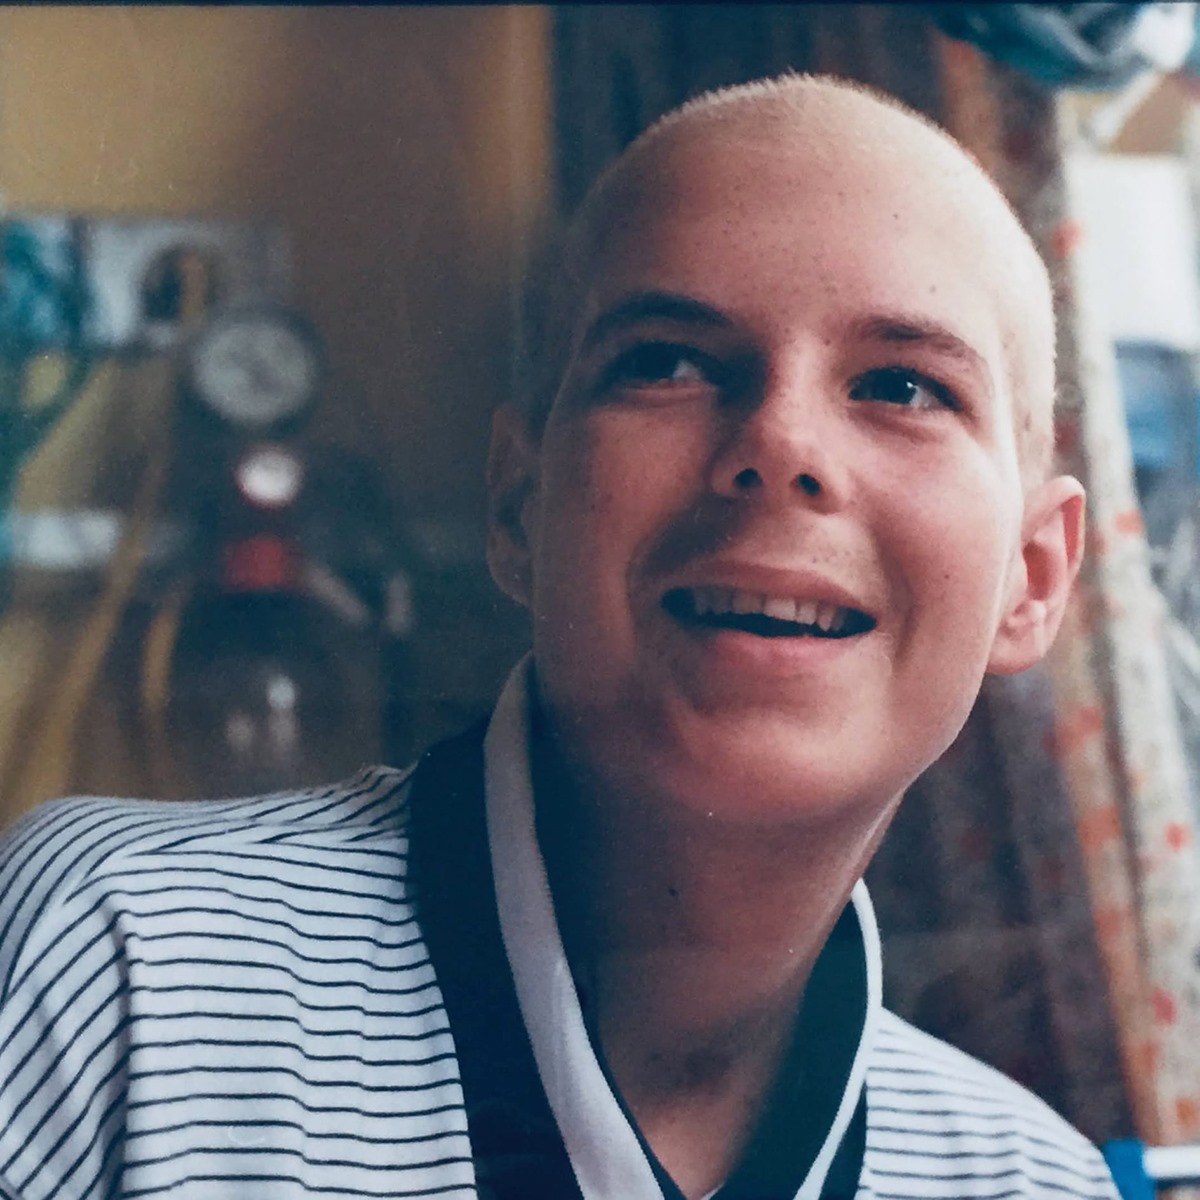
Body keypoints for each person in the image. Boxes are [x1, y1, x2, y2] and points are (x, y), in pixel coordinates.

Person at [0, 73, 1117, 1200]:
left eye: (902, 385)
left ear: (1033, 576)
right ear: (517, 508)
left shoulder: (1028, 1178)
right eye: (667, 362)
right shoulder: (125, 971)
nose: (781, 442)